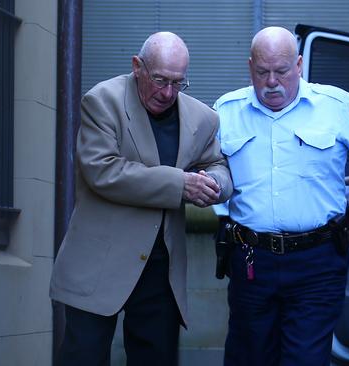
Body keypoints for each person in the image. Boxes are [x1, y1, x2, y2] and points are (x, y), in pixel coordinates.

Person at [213, 26, 349, 366]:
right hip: (251, 260)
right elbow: (204, 167)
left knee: (305, 359)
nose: (272, 82)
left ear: (300, 65)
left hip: (317, 264)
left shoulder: (335, 106)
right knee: (248, 357)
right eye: (262, 72)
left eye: (282, 71)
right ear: (250, 68)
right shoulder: (225, 111)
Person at [49, 32, 232, 366]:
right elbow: (102, 171)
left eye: (178, 83)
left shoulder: (203, 118)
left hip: (161, 267)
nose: (167, 93)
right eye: (160, 79)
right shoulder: (102, 100)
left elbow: (217, 165)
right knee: (83, 358)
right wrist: (180, 183)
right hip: (98, 260)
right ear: (137, 66)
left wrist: (213, 184)